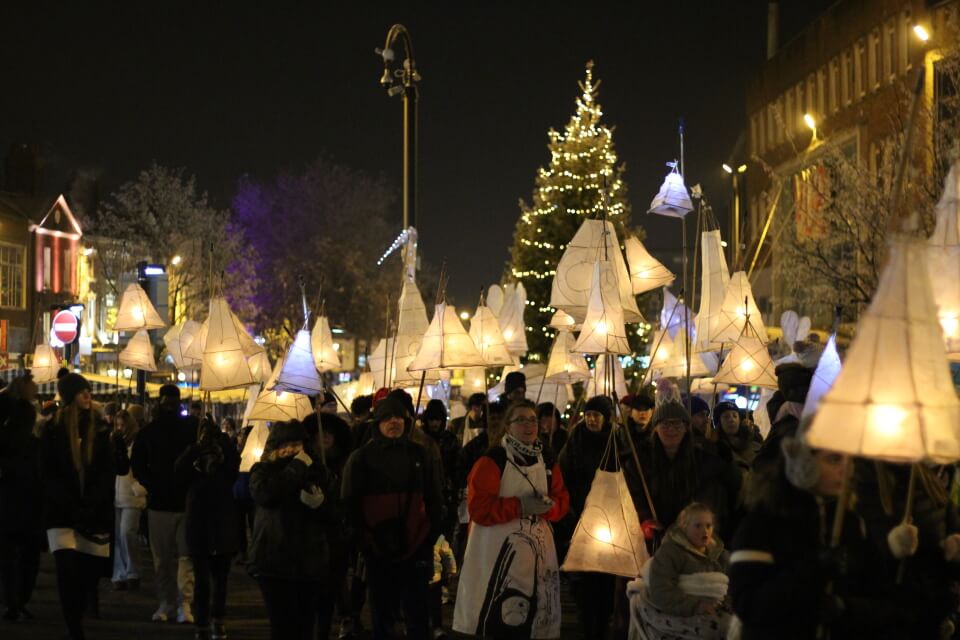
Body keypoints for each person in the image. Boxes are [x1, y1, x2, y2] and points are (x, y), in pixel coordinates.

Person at [729, 435, 908, 639]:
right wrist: (813, 569)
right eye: (834, 459)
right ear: (803, 462)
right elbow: (749, 605)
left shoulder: (851, 523)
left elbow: (882, 600)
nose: (846, 469)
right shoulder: (764, 521)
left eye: (849, 460)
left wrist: (846, 608)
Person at [453, 399, 569, 639]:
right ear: (508, 426)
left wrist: (548, 507)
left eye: (533, 420)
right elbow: (479, 509)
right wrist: (519, 506)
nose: (529, 425)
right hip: (496, 552)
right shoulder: (492, 461)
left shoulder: (547, 460)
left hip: (538, 551)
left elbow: (562, 501)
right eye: (521, 420)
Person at [342, 396, 443, 640]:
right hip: (377, 548)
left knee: (417, 611)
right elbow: (350, 504)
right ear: (377, 423)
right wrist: (363, 540)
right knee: (382, 613)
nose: (393, 422)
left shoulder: (421, 455)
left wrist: (431, 534)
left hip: (416, 544)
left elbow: (434, 498)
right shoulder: (361, 458)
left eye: (398, 417)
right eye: (387, 417)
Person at [40, 373, 116, 640]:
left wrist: (91, 503)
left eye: (88, 391)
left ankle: (81, 608)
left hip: (91, 514)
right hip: (61, 513)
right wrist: (65, 501)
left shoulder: (101, 430)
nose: (87, 395)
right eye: (82, 391)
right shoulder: (53, 430)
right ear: (70, 395)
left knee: (86, 573)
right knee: (66, 569)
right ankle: (74, 625)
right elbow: (48, 473)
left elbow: (107, 474)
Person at [249, 420, 331, 640]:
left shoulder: (318, 470)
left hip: (309, 560)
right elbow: (266, 494)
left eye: (295, 444)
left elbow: (334, 514)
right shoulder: (262, 470)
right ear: (274, 447)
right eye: (284, 444)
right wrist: (296, 467)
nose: (290, 450)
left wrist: (320, 504)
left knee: (305, 626)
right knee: (282, 626)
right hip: (273, 560)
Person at [624, 402, 741, 546]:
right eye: (665, 424)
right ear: (655, 428)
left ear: (686, 428)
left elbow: (712, 494)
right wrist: (645, 518)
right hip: (654, 536)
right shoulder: (639, 460)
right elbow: (633, 494)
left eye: (677, 424)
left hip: (691, 536)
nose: (671, 429)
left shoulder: (703, 459)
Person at [131, 384, 198, 623]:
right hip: (166, 502)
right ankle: (173, 603)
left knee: (175, 557)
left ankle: (180, 603)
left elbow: (138, 466)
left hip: (175, 502)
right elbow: (138, 465)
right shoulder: (157, 431)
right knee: (172, 558)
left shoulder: (186, 429)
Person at [176, 417, 241, 640]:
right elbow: (179, 471)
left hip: (221, 522)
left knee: (220, 579)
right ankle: (204, 622)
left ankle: (217, 619)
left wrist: (222, 445)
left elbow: (234, 468)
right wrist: (195, 449)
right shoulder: (192, 459)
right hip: (199, 523)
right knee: (202, 579)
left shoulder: (225, 461)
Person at [559, 395, 618, 639]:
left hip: (610, 518)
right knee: (584, 579)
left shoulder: (616, 441)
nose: (592, 419)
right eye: (589, 414)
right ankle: (586, 625)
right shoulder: (575, 441)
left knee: (606, 577)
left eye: (597, 415)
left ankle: (602, 623)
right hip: (581, 516)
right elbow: (563, 475)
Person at [637, 502, 731, 639]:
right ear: (684, 527)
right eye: (698, 526)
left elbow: (728, 587)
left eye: (708, 526)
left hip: (713, 610)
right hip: (677, 612)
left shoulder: (718, 555)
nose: (705, 531)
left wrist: (727, 603)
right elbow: (661, 590)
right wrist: (697, 605)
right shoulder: (670, 552)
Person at [302, 409, 354, 640]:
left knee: (335, 581)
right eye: (320, 433)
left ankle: (342, 617)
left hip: (337, 536)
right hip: (310, 538)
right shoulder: (304, 465)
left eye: (329, 434)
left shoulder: (344, 464)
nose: (325, 438)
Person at [0, 374, 42, 621]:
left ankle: (14, 601)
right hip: (20, 491)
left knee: (12, 554)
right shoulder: (19, 412)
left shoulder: (23, 412)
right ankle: (16, 600)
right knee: (22, 554)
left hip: (17, 491)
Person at [112, 409, 147, 591]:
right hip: (116, 494)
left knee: (127, 533)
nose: (120, 428)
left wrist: (138, 488)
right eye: (117, 424)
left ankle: (133, 571)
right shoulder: (115, 441)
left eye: (122, 424)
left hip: (131, 495)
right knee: (118, 536)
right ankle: (120, 573)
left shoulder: (136, 441)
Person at [714, 401, 761, 472]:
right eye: (726, 416)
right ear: (719, 423)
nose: (732, 420)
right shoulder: (715, 450)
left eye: (735, 416)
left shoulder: (757, 446)